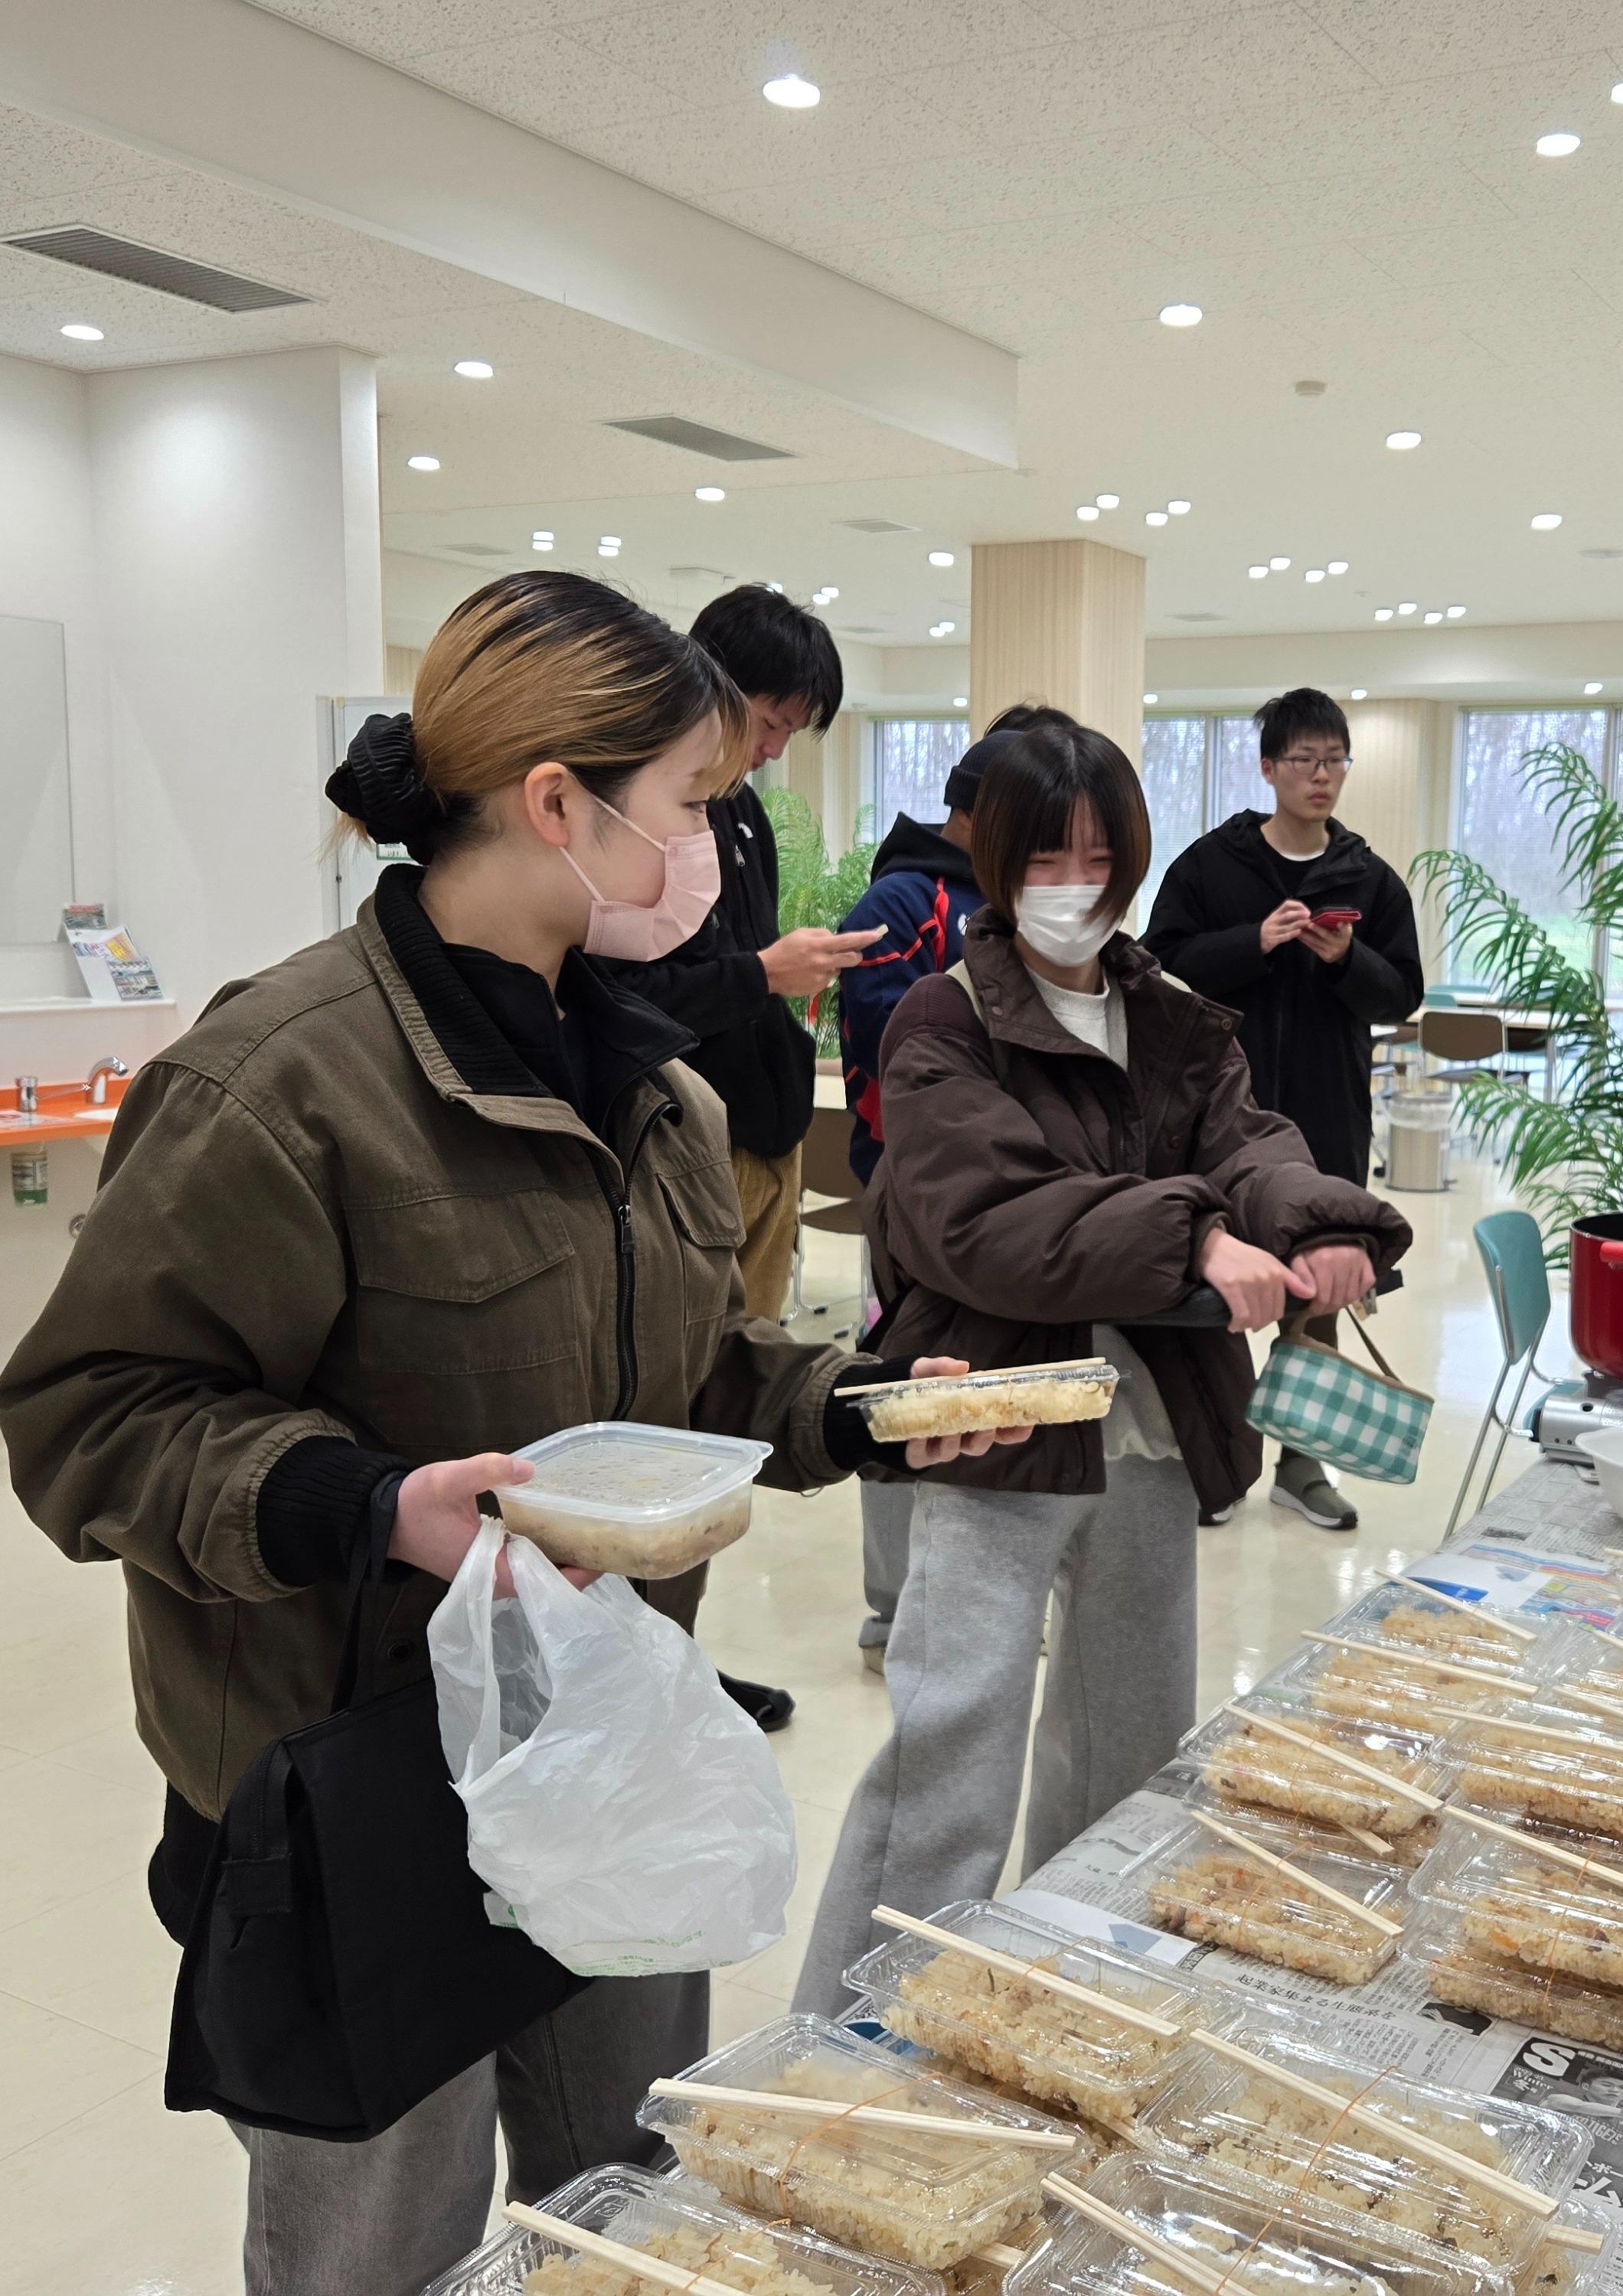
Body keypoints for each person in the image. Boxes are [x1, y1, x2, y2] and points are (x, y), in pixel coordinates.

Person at [0, 571, 1023, 2296]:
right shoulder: (282, 1081)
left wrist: (854, 1410)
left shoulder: (652, 1084)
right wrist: (366, 1503)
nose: (711, 853)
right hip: (359, 1793)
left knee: (628, 2212)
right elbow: (91, 1415)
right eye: (689, 805)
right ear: (559, 805)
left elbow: (686, 1372)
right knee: (377, 2253)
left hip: (608, 1742)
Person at [793, 716, 1412, 2014]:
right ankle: (856, 2025)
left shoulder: (1171, 1014)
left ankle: (1071, 1995)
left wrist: (1320, 1224)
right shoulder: (943, 1017)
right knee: (952, 1745)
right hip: (994, 1420)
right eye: (1045, 857)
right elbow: (987, 1219)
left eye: (1099, 858)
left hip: (1151, 1423)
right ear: (995, 861)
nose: (1074, 884)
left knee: (1130, 1738)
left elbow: (1249, 1143)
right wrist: (1196, 1233)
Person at [603, 583, 882, 1729]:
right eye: (768, 721)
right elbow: (627, 995)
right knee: (661, 1412)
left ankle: (674, 1650)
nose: (772, 750)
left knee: (721, 1417)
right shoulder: (642, 819)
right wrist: (759, 975)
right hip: (674, 1144)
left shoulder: (743, 818)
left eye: (790, 731)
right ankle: (633, 1662)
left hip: (757, 1136)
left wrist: (776, 990)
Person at [1144, 688, 1422, 1531]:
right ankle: (1218, 1462)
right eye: (1304, 759)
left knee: (1320, 1285)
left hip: (1328, 1108)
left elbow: (1402, 993)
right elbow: (1159, 967)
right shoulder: (1211, 866)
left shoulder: (1370, 879)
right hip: (1219, 1113)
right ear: (1268, 768)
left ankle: (1302, 1465)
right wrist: (1254, 943)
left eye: (1335, 760)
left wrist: (1345, 960)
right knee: (1213, 1287)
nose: (1321, 776)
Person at [836, 703, 1076, 1671]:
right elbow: (886, 1047)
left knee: (998, 1396)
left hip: (1020, 1201)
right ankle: (892, 1609)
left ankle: (990, 1595)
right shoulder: (900, 904)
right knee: (904, 1387)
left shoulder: (1022, 903)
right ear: (975, 813)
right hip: (912, 1201)